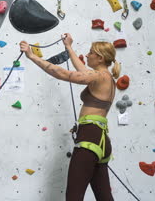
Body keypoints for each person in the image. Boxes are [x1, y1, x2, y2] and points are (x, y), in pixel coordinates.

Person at [20, 33, 120, 201]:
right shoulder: (106, 78)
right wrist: (68, 47)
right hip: (101, 141)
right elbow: (82, 69)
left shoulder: (99, 77)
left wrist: (31, 56)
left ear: (100, 58)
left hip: (90, 137)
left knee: (73, 196)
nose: (87, 55)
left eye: (90, 53)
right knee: (104, 197)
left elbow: (63, 73)